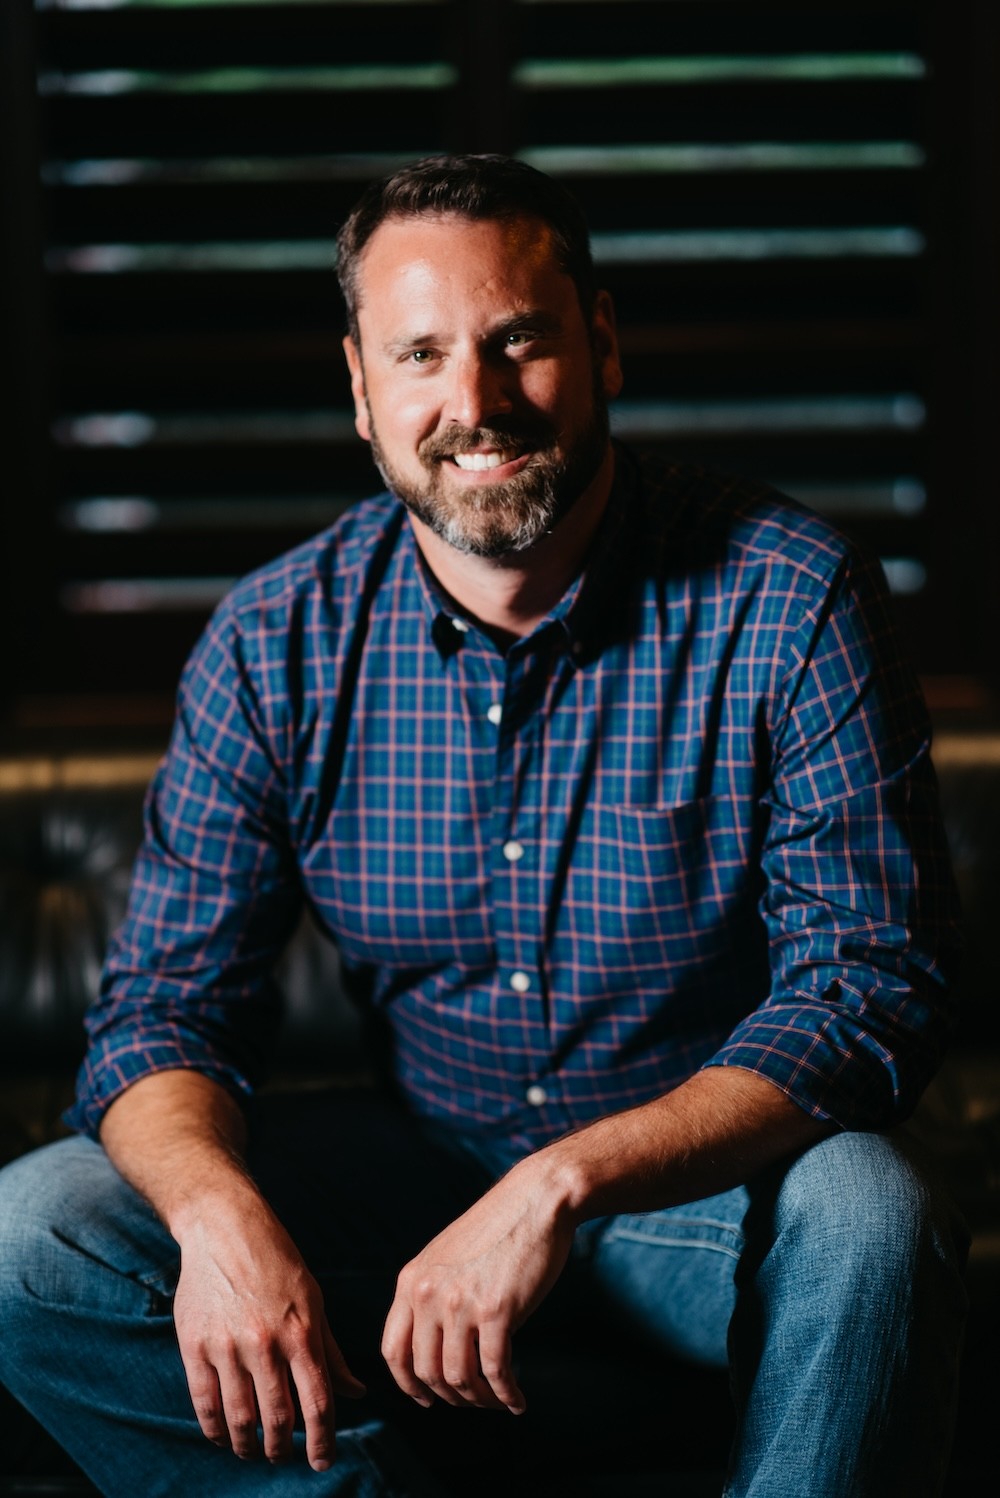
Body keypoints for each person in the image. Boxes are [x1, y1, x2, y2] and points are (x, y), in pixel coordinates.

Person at [0, 154, 968, 1497]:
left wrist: (560, 1182)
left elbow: (869, 986)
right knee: (33, 1234)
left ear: (603, 343)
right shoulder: (275, 641)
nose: (475, 402)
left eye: (519, 341)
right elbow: (164, 1009)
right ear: (361, 388)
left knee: (876, 1213)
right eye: (421, 355)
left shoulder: (793, 597)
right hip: (408, 1164)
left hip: (693, 1194)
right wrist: (217, 1216)